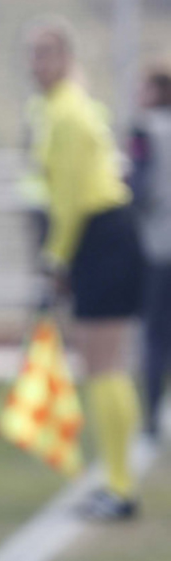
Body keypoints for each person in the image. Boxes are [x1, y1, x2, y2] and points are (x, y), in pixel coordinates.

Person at [24, 16, 145, 520]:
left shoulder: (68, 112)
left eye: (48, 53)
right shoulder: (59, 108)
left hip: (102, 236)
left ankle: (119, 486)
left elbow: (71, 197)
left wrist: (56, 257)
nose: (38, 65)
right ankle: (119, 480)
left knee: (104, 364)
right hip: (105, 236)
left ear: (67, 58)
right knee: (104, 364)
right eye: (33, 55)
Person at [127, 62, 171, 439]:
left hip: (157, 246)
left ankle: (152, 417)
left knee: (155, 335)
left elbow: (141, 189)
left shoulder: (145, 130)